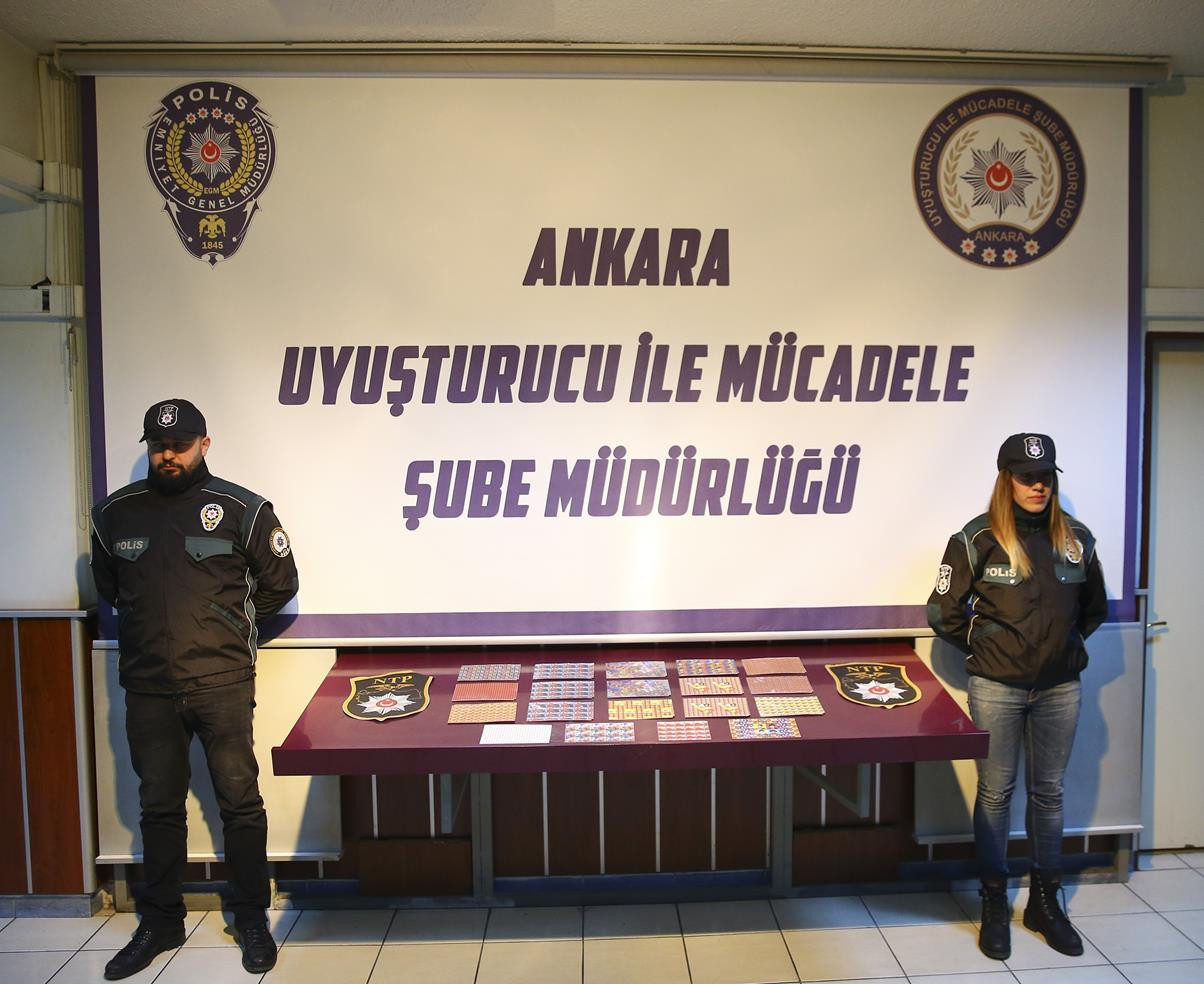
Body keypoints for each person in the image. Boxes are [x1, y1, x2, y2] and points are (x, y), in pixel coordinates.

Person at [91, 398, 299, 979]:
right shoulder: (114, 515)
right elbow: (112, 588)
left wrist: (230, 626)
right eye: (159, 446)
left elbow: (280, 582)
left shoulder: (242, 509)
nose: (168, 456)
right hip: (148, 686)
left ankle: (251, 918)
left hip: (222, 682)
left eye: (180, 446)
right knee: (158, 807)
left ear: (204, 444)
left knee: (240, 803)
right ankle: (161, 921)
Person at [927, 433, 1107, 962]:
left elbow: (1093, 609)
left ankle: (1045, 904)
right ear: (1006, 480)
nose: (1038, 486)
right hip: (996, 687)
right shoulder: (975, 538)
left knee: (1048, 794)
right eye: (1027, 477)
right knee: (996, 794)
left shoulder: (1077, 539)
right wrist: (991, 649)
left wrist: (1058, 649)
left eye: (1045, 476)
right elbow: (942, 613)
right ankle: (993, 902)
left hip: (1060, 689)